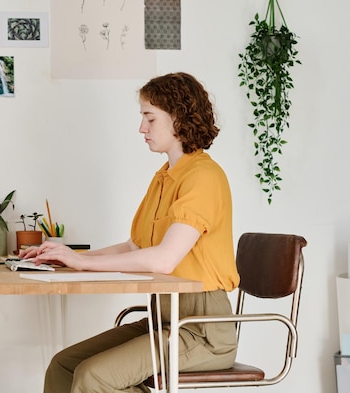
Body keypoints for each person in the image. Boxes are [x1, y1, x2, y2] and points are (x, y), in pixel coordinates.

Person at [20, 72, 240, 393]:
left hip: (201, 330)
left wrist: (82, 264)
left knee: (95, 378)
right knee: (64, 366)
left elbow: (165, 259)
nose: (142, 128)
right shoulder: (165, 177)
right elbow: (133, 246)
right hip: (164, 318)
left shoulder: (203, 177)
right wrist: (68, 258)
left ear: (178, 117)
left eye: (150, 118)